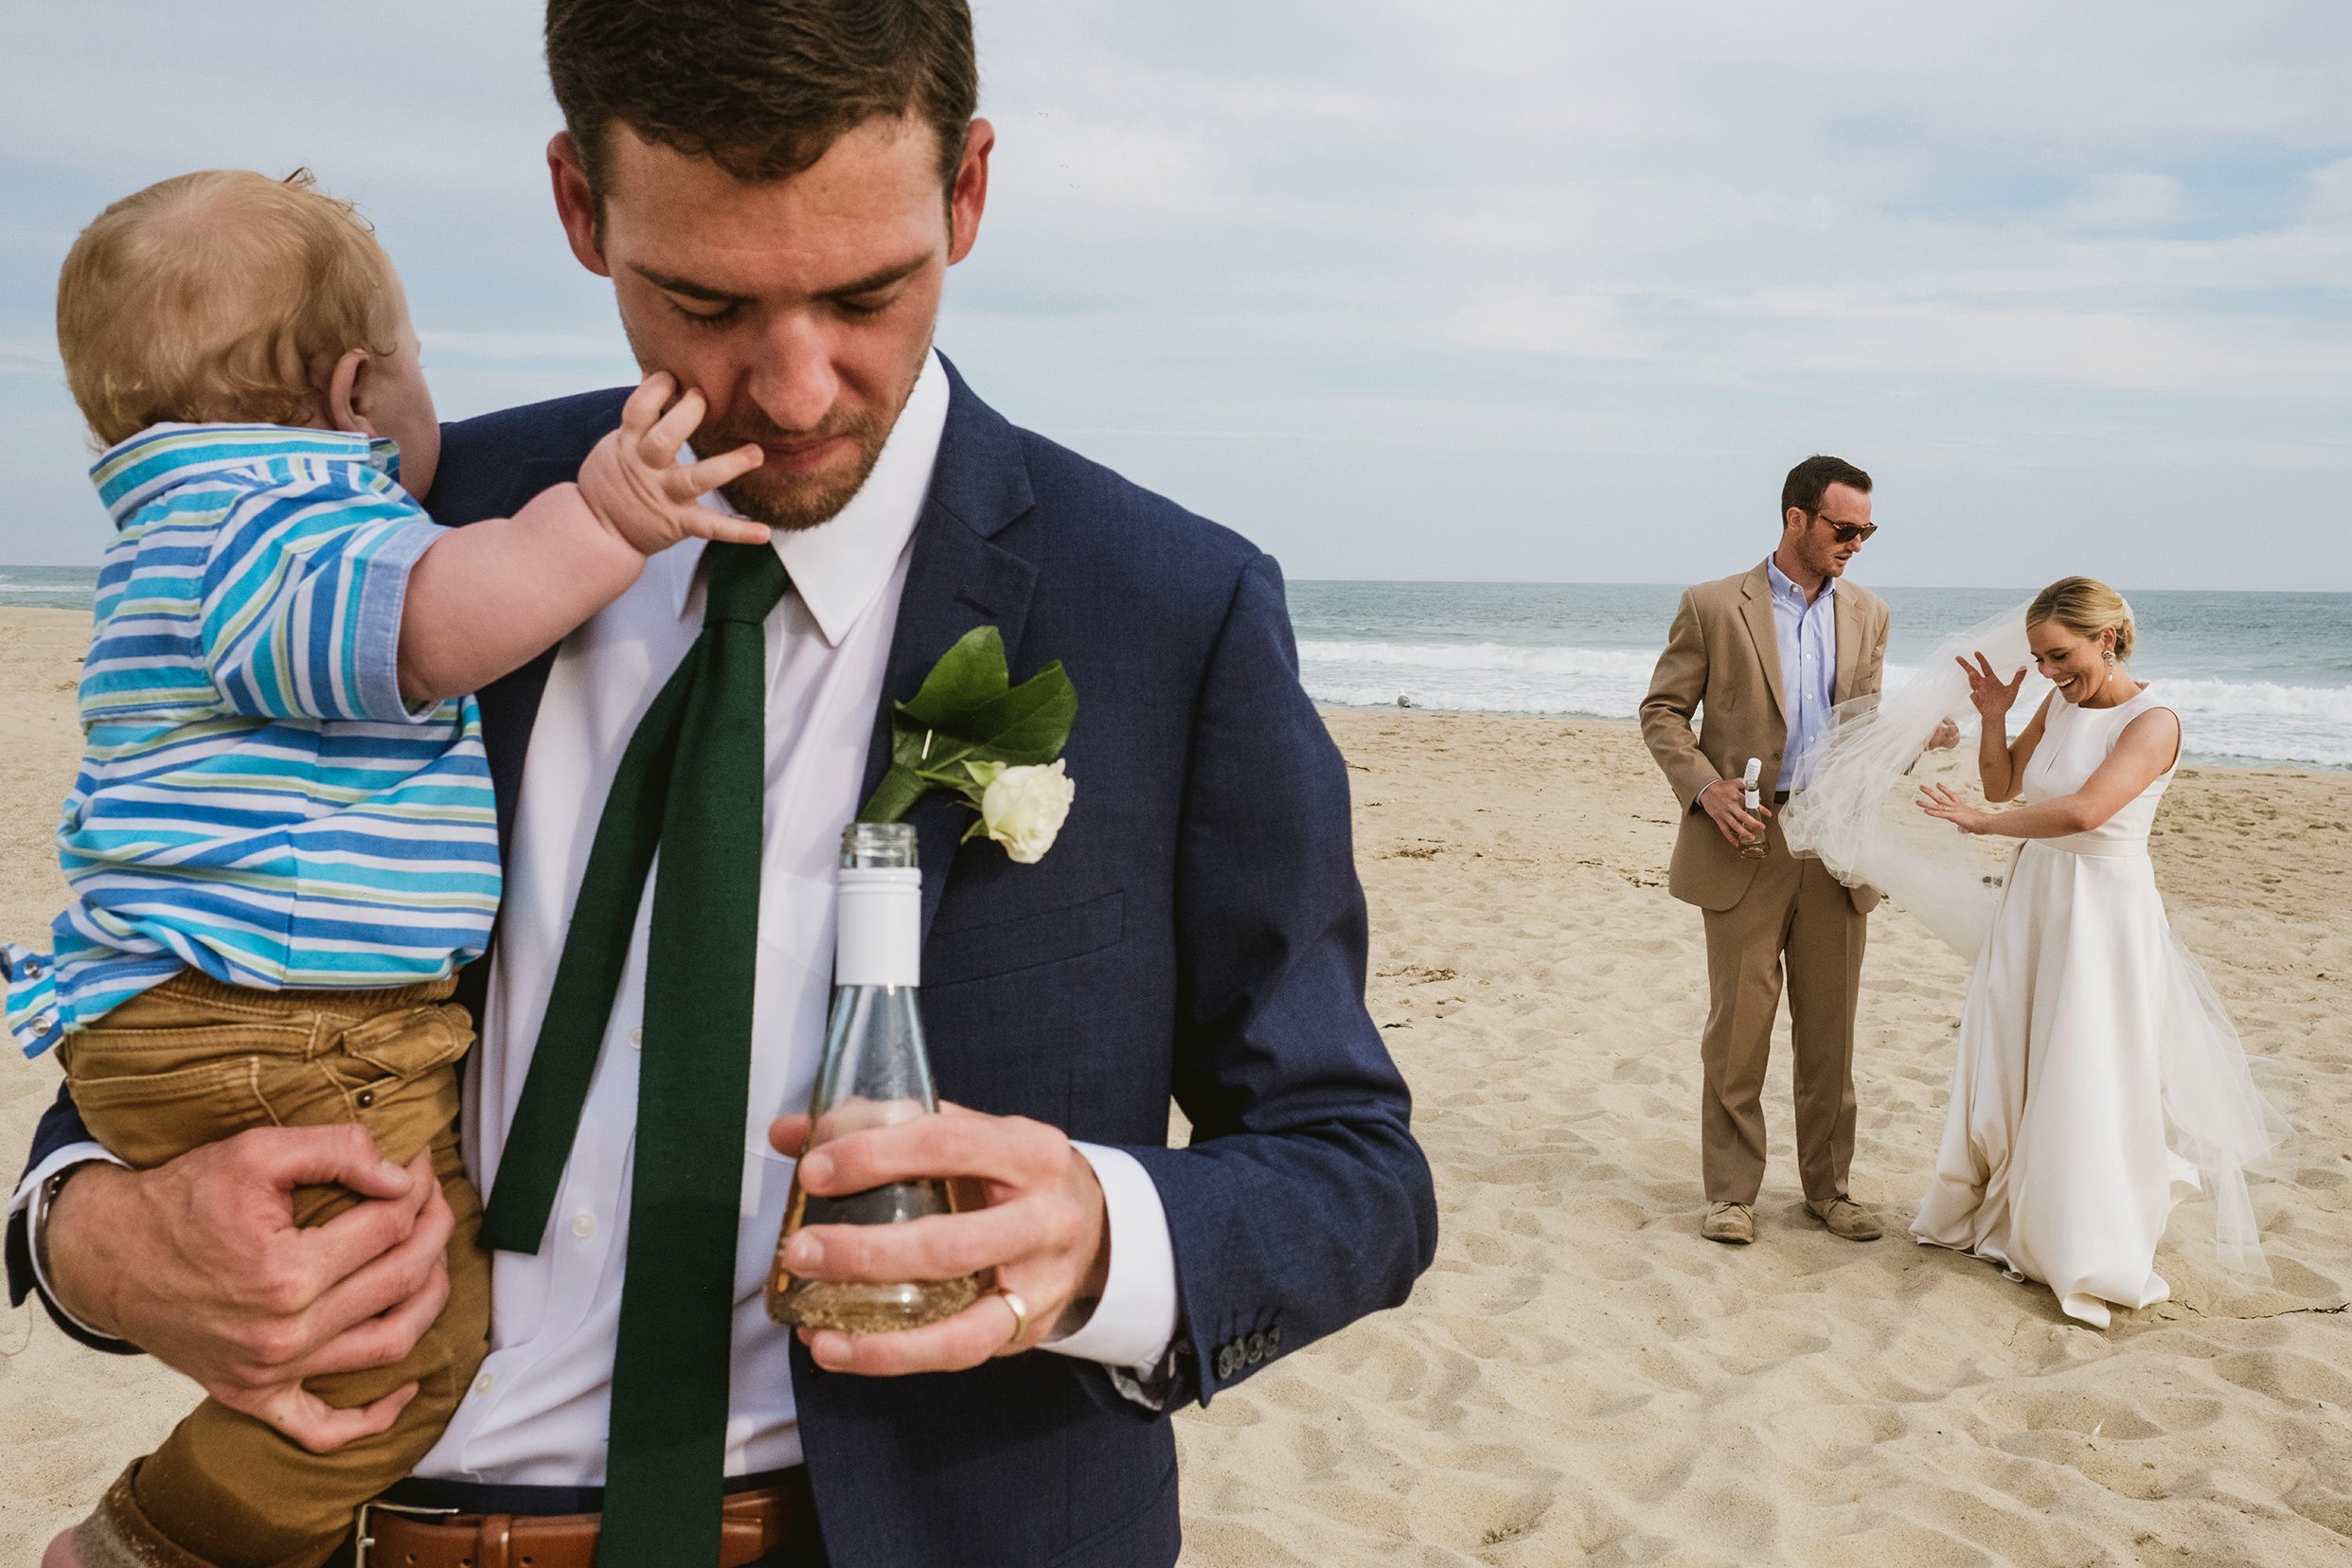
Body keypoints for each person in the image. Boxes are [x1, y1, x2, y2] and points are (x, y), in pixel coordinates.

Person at [8, 3, 1438, 1565]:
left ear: (965, 191)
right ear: (578, 208)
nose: (800, 386)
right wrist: (96, 1239)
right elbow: (199, 960)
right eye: (701, 300)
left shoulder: (1167, 605)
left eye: (867, 291)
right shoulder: (411, 536)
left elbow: (1346, 1164)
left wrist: (1101, 1235)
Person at [12, 167, 765, 1568]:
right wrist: (598, 523)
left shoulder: (174, 528)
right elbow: (420, 627)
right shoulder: (281, 527)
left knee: (381, 1324)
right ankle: (153, 1547)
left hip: (221, 1016)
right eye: (420, 359)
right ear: (357, 391)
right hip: (290, 1032)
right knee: (402, 1349)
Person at [1913, 578, 2282, 1326]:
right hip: (2036, 896)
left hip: (2103, 912)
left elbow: (2087, 810)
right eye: (2041, 660)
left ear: (2106, 638)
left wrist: (1984, 828)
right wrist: (1995, 716)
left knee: (2086, 1059)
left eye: (2060, 656)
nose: (2049, 673)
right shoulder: (2058, 703)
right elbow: (2005, 781)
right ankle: (2009, 1207)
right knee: (2012, 1044)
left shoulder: (2154, 721)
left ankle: (2078, 1231)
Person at [1640, 455, 1900, 1247]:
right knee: (1740, 1027)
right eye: (1842, 528)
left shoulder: (1869, 613)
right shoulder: (1714, 604)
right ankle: (1731, 1195)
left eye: (1866, 530)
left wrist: (1915, 740)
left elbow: (1866, 729)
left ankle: (1830, 1189)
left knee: (1831, 1028)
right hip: (1746, 838)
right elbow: (1661, 712)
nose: (1855, 543)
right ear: (1796, 519)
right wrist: (1703, 788)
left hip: (1837, 839)